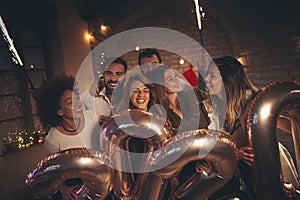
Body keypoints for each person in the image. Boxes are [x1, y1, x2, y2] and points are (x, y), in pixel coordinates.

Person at [204, 56, 297, 199]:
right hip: (243, 173)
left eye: (212, 76)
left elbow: (290, 125)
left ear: (227, 80)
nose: (207, 80)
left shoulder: (253, 103)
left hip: (268, 167)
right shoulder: (217, 110)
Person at [34, 74, 100, 200]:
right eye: (70, 103)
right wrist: (64, 189)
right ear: (59, 111)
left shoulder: (93, 118)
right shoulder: (53, 140)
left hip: (97, 179)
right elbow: (54, 173)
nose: (78, 104)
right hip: (73, 187)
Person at [80, 57, 127, 123]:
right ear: (103, 75)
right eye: (108, 73)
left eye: (119, 74)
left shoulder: (131, 97)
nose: (113, 79)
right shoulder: (90, 95)